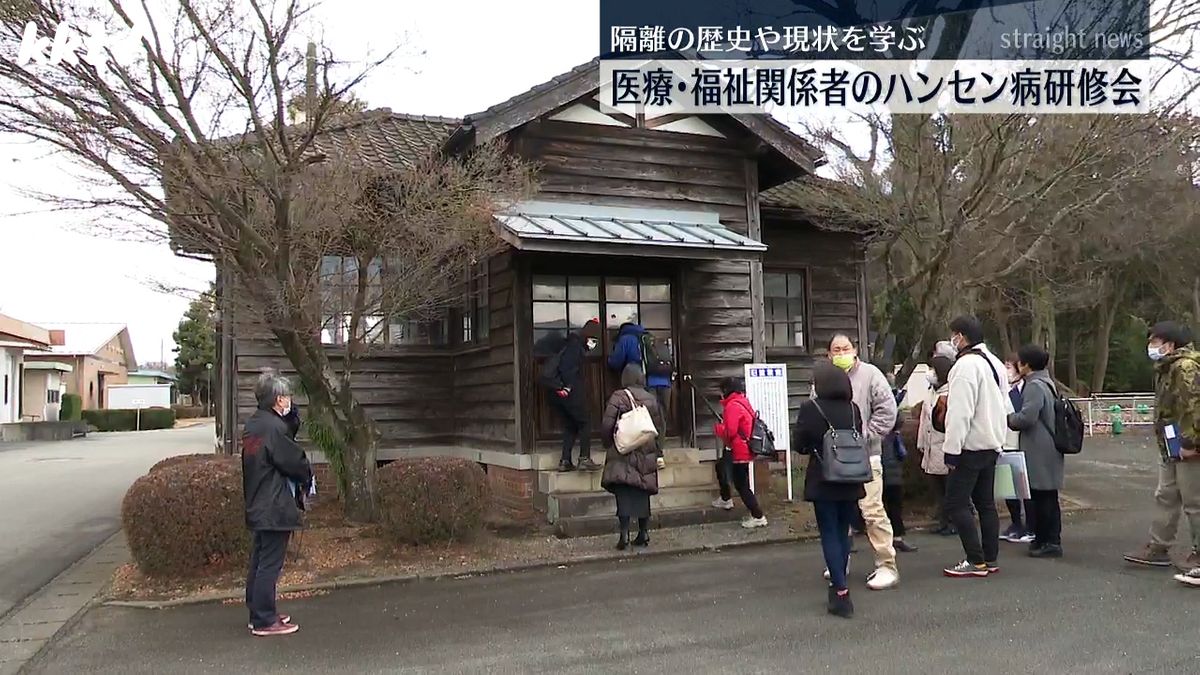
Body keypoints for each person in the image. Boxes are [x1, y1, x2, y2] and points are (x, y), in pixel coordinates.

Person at [822, 334, 899, 591]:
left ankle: (886, 565)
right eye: (836, 349)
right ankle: (839, 561)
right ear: (828, 354)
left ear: (855, 350)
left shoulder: (871, 375)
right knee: (841, 513)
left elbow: (887, 410)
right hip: (835, 459)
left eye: (846, 348)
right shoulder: (823, 378)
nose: (841, 352)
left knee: (872, 510)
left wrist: (867, 437)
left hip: (867, 456)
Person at [1124, 321, 1200, 571]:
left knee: (1194, 501)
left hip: (1189, 445)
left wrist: (1192, 443)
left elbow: (1193, 408)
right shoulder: (1165, 368)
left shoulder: (1186, 367)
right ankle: (1159, 546)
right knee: (1166, 495)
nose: (1151, 347)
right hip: (1170, 444)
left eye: (1155, 342)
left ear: (1169, 344)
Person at [793, 361, 867, 619]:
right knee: (843, 531)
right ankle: (839, 585)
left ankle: (841, 591)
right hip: (851, 475)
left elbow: (799, 444)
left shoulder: (810, 408)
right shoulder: (853, 409)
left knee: (829, 533)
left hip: (824, 477)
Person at [242, 372, 313, 637]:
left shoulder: (257, 424)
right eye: (286, 397)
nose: (289, 401)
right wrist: (307, 476)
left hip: (260, 500)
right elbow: (293, 460)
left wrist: (292, 415)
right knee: (269, 563)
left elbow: (287, 432)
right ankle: (264, 620)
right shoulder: (272, 428)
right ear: (277, 398)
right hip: (274, 503)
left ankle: (258, 612)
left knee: (260, 560)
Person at [941, 315, 1011, 578]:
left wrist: (951, 449)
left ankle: (975, 559)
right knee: (986, 504)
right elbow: (1004, 404)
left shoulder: (965, 365)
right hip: (992, 443)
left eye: (954, 335)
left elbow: (960, 412)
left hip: (970, 445)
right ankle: (990, 558)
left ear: (961, 336)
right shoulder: (994, 362)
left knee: (956, 504)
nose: (952, 341)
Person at [1007, 344, 1065, 558]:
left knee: (1042, 497)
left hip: (1039, 449)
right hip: (1049, 447)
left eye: (1019, 362)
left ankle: (1048, 541)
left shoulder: (1034, 386)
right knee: (1048, 496)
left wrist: (1008, 419)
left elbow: (1027, 417)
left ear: (1027, 365)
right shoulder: (1047, 382)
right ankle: (1048, 540)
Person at [600, 364, 665, 550]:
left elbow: (607, 424)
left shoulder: (618, 397)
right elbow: (659, 428)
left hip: (623, 450)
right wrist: (658, 450)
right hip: (646, 450)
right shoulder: (651, 398)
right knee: (643, 492)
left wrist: (608, 443)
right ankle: (643, 533)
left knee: (624, 493)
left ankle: (624, 534)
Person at [546, 319, 603, 473]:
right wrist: (568, 387)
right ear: (587, 336)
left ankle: (565, 461)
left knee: (570, 425)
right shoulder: (575, 347)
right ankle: (584, 458)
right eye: (593, 340)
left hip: (558, 394)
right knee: (584, 421)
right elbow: (567, 368)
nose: (594, 343)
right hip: (569, 393)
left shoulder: (571, 344)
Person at [712, 376, 769, 529]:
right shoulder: (742, 401)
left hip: (738, 449)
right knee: (721, 468)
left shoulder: (732, 406)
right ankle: (726, 499)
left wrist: (718, 428)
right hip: (742, 447)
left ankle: (758, 515)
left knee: (741, 484)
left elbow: (730, 431)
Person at [607, 312, 673, 420]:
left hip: (645, 381)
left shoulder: (626, 339)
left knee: (646, 416)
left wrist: (609, 360)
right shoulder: (649, 337)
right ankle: (661, 437)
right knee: (661, 417)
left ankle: (649, 437)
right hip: (665, 380)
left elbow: (616, 362)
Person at [919, 355, 956, 536]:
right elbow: (923, 422)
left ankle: (951, 522)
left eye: (933, 369)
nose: (930, 373)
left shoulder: (950, 393)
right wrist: (921, 444)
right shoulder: (932, 392)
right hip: (931, 448)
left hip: (944, 447)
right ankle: (943, 521)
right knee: (939, 490)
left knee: (950, 489)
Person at [1001, 356, 1036, 545]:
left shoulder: (1027, 389)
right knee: (1009, 489)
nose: (1007, 370)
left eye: (1009, 366)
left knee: (1025, 489)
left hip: (1021, 444)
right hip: (1005, 443)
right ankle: (1016, 523)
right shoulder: (1004, 389)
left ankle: (1031, 526)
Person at [881, 371, 917, 553]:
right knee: (887, 499)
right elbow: (896, 420)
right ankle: (894, 537)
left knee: (888, 498)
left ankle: (895, 537)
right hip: (884, 454)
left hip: (887, 454)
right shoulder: (881, 399)